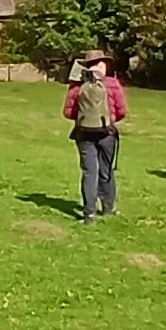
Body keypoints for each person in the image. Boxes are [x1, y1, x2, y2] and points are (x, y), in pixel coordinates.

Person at [62, 49, 127, 222]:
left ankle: (89, 213)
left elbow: (68, 112)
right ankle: (108, 208)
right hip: (107, 133)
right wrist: (108, 120)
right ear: (101, 65)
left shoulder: (77, 86)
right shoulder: (112, 83)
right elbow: (122, 110)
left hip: (83, 134)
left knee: (89, 172)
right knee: (106, 170)